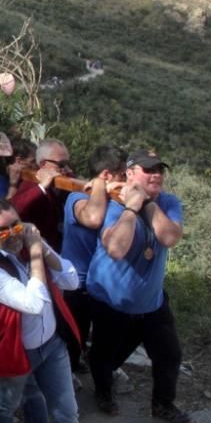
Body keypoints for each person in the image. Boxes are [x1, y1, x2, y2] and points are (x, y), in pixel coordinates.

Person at [87, 150, 191, 423]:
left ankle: (163, 405)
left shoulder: (168, 202)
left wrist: (147, 203)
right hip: (113, 299)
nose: (156, 173)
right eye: (148, 169)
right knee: (107, 355)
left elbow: (169, 237)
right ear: (130, 174)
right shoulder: (112, 205)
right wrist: (131, 208)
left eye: (159, 169)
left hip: (151, 301)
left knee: (169, 355)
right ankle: (103, 391)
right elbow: (116, 248)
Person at [0, 198, 81, 423]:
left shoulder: (31, 245)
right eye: (3, 230)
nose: (12, 234)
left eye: (16, 225)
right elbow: (34, 303)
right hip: (17, 351)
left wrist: (42, 249)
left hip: (52, 346)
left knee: (67, 413)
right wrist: (36, 254)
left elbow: (71, 280)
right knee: (6, 405)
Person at [61, 145, 127, 373]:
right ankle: (68, 377)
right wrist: (99, 186)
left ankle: (97, 375)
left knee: (105, 337)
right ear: (107, 175)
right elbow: (92, 218)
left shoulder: (116, 198)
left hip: (104, 283)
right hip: (77, 283)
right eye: (123, 175)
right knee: (72, 336)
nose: (126, 180)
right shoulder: (76, 197)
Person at [12, 138, 74, 250]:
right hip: (39, 250)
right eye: (62, 164)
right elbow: (15, 208)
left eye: (68, 164)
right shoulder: (31, 183)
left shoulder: (63, 177)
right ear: (43, 164)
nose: (67, 169)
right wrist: (41, 187)